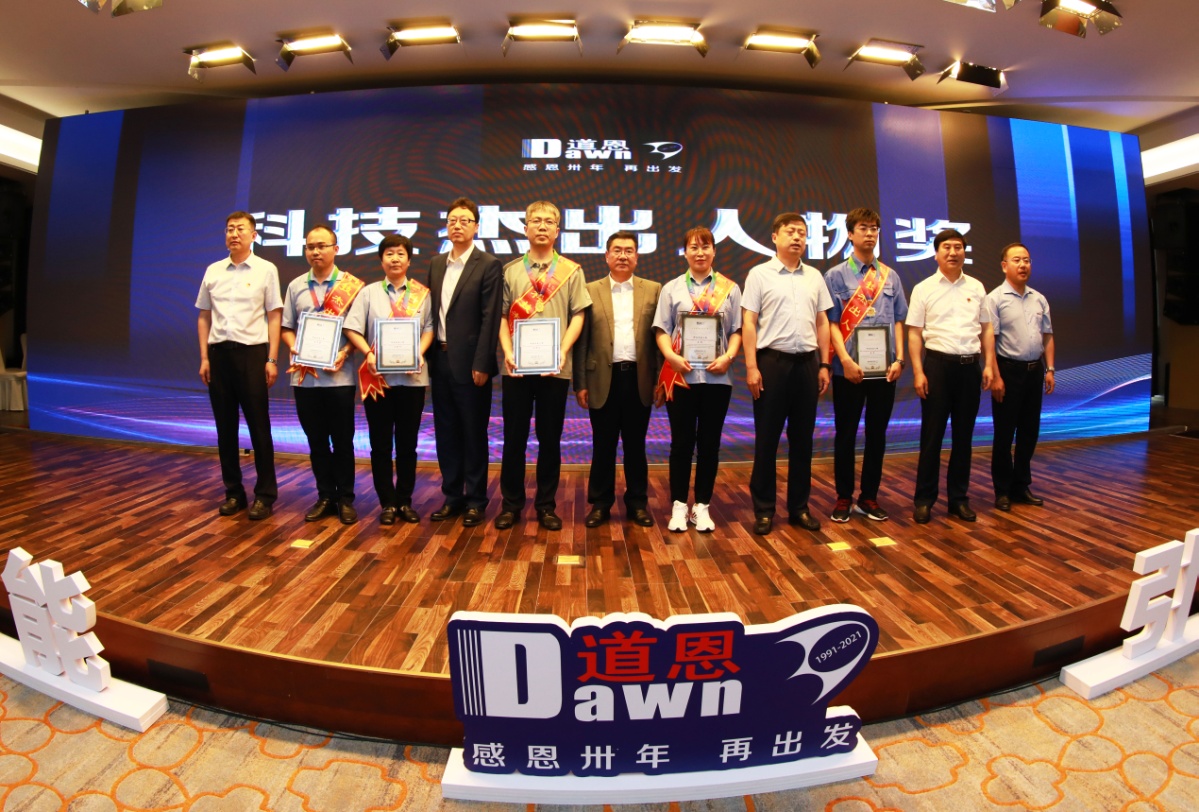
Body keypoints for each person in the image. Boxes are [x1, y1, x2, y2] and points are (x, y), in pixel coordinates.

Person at [496, 201, 591, 531]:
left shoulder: (571, 271)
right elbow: (502, 316)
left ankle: (546, 506)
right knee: (514, 439)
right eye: (535, 221)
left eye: (548, 222)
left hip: (555, 368)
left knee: (550, 440)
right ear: (525, 228)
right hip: (516, 368)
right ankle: (511, 505)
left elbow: (579, 315)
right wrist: (508, 351)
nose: (541, 226)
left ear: (557, 230)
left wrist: (562, 351)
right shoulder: (510, 271)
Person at [742, 213, 832, 535]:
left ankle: (799, 508)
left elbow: (822, 321)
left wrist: (824, 364)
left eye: (802, 233)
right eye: (791, 231)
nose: (797, 237)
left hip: (807, 364)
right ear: (775, 237)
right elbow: (749, 321)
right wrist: (751, 366)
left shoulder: (814, 276)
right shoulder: (759, 274)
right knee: (767, 440)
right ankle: (764, 509)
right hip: (772, 364)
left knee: (803, 441)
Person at [653, 226, 742, 533]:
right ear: (685, 252)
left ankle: (702, 506)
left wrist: (728, 356)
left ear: (714, 251)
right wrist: (671, 357)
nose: (700, 252)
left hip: (718, 378)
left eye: (705, 247)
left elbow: (737, 331)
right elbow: (661, 330)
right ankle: (679, 506)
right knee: (680, 444)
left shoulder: (730, 289)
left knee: (709, 444)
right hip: (681, 378)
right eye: (694, 247)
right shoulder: (672, 288)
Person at [824, 208, 908, 523]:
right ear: (849, 234)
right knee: (845, 434)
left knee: (877, 435)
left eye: (874, 228)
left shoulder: (890, 276)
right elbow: (831, 323)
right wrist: (844, 360)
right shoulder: (835, 276)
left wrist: (899, 359)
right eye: (863, 228)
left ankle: (869, 497)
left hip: (885, 370)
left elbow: (899, 320)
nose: (870, 233)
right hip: (848, 370)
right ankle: (844, 497)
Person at [196, 212, 283, 520]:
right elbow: (204, 316)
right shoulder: (213, 270)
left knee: (259, 427)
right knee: (225, 428)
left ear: (253, 235)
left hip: (252, 355)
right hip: (218, 355)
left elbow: (274, 315)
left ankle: (265, 495)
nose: (234, 234)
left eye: (241, 229)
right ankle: (234, 492)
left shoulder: (266, 269)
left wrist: (271, 359)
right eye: (230, 229)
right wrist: (205, 357)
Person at [573, 231, 662, 528]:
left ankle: (637, 503)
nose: (623, 255)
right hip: (601, 379)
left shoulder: (653, 290)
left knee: (636, 446)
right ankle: (600, 504)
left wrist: (659, 379)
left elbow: (659, 338)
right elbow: (582, 341)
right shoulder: (589, 290)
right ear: (607, 256)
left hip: (639, 378)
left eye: (629, 250)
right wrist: (580, 382)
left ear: (637, 256)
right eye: (617, 250)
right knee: (603, 445)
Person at [344, 234, 434, 525]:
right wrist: (368, 352)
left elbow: (430, 328)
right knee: (380, 445)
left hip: (412, 381)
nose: (395, 259)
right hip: (378, 381)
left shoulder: (423, 294)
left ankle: (404, 501)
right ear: (381, 259)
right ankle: (386, 503)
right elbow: (352, 328)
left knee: (408, 445)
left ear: (409, 259)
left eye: (400, 254)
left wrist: (419, 352)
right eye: (389, 254)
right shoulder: (369, 293)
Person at [907, 229, 996, 524]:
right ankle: (924, 500)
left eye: (958, 247)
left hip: (970, 368)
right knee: (931, 437)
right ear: (936, 253)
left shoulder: (977, 286)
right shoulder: (924, 288)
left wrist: (989, 365)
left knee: (963, 437)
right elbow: (915, 333)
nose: (953, 252)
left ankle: (958, 499)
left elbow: (986, 328)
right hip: (937, 367)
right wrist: (918, 371)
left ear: (964, 252)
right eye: (947, 247)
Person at [426, 198, 504, 528]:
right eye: (452, 220)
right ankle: (452, 497)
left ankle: (475, 500)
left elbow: (490, 317)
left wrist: (483, 362)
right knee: (445, 432)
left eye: (465, 220)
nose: (457, 225)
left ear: (476, 227)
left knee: (473, 433)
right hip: (440, 359)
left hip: (472, 364)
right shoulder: (436, 264)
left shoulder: (488, 264)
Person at [280, 224, 364, 525]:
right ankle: (325, 496)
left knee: (342, 440)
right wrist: (295, 347)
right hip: (305, 378)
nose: (315, 251)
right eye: (310, 246)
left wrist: (346, 352)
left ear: (335, 249)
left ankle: (346, 499)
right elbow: (286, 327)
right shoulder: (295, 286)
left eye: (322, 246)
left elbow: (359, 330)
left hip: (339, 377)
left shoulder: (351, 286)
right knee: (316, 440)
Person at [986, 243, 1055, 512]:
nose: (1023, 265)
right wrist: (995, 376)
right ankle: (1002, 490)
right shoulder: (995, 299)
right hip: (1007, 371)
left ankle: (1021, 485)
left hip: (1034, 371)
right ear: (1005, 266)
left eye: (1026, 260)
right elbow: (989, 342)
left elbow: (1047, 336)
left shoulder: (1039, 299)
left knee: (1029, 432)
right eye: (1017, 260)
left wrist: (1050, 369)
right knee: (1004, 434)